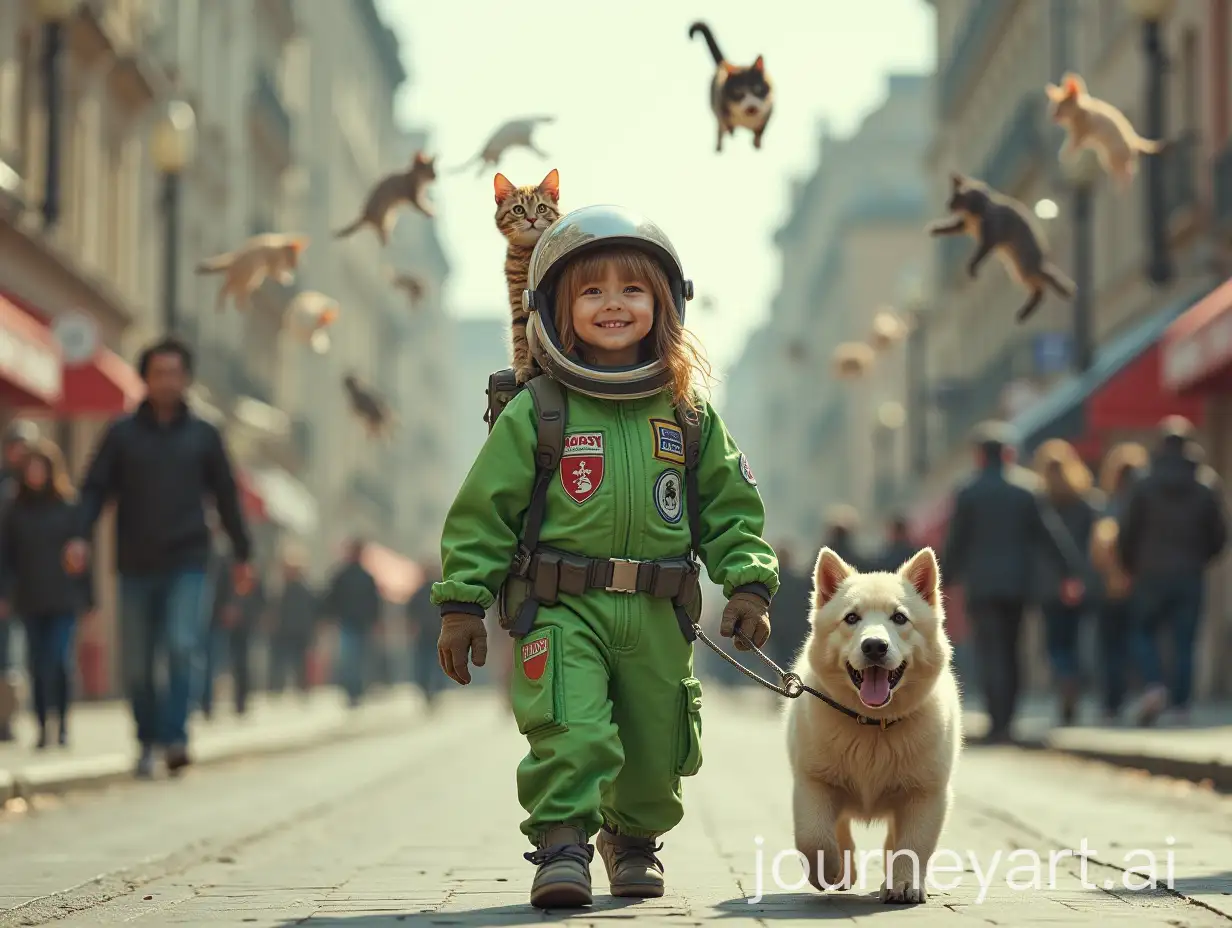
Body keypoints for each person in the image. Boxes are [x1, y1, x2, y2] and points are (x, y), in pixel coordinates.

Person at [430, 205, 778, 909]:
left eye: (632, 290)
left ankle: (634, 839)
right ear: (556, 309)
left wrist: (747, 585)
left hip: (657, 611)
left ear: (665, 304)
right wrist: (463, 602)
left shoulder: (686, 412)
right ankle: (561, 843)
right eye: (591, 292)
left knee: (656, 743)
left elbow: (728, 506)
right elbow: (485, 510)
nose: (613, 304)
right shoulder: (541, 409)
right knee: (571, 726)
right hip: (562, 606)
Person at [67, 336, 254, 777]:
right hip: (135, 562)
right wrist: (79, 536)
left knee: (181, 644)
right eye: (158, 373)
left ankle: (175, 738)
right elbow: (94, 488)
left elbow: (227, 497)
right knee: (136, 661)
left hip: (188, 560)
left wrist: (244, 554)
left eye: (175, 373)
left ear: (186, 379)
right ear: (145, 379)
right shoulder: (121, 434)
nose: (167, 381)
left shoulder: (205, 434)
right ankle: (147, 739)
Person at [941, 421, 1086, 744]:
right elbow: (1051, 534)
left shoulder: (968, 491)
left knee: (989, 650)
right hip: (1017, 584)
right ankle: (1009, 720)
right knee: (1012, 648)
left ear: (979, 456)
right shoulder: (1026, 489)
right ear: (1007, 454)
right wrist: (1070, 573)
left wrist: (941, 581)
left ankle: (996, 719)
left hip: (981, 586)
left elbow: (956, 542)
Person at [1117, 417, 1228, 726]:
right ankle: (1181, 705)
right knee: (1185, 641)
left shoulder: (1144, 483)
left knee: (1141, 631)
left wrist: (1129, 565)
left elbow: (1127, 531)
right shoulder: (1205, 484)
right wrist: (1201, 558)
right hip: (1190, 574)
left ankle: (1153, 686)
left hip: (1150, 574)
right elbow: (1220, 534)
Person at [0, 439, 93, 748]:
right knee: (37, 664)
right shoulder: (15, 510)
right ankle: (42, 726)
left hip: (63, 598)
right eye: (31, 468)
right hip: (29, 597)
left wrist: (88, 598)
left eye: (41, 468)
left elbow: (82, 556)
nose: (35, 473)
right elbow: (7, 556)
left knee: (58, 659)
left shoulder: (68, 508)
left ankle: (63, 723)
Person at [1031, 440, 1102, 726]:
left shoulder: (1040, 501)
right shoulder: (1086, 502)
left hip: (1049, 586)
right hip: (1080, 582)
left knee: (1055, 643)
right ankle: (1074, 679)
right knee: (1075, 641)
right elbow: (1095, 542)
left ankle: (1066, 677)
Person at [1089, 441, 1148, 720]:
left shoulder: (1107, 506)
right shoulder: (1146, 505)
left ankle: (1113, 702)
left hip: (1109, 585)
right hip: (1140, 583)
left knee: (1110, 647)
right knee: (1139, 641)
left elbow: (1096, 549)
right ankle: (1147, 692)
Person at [0, 419, 37, 743]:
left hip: (33, 588)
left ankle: (11, 719)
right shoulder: (5, 488)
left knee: (16, 659)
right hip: (7, 584)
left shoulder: (38, 490)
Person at [320, 538, 381, 707]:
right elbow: (331, 598)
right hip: (348, 623)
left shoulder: (364, 576)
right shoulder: (345, 575)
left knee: (356, 659)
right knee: (351, 659)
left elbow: (374, 602)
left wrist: (375, 621)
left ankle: (356, 691)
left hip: (360, 623)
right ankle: (352, 691)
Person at [268, 547, 318, 696]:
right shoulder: (281, 589)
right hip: (285, 631)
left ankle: (300, 687)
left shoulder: (300, 589)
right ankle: (278, 688)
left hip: (297, 631)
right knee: (283, 662)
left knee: (298, 663)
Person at [405, 563, 442, 710]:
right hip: (437, 632)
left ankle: (427, 688)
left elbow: (410, 614)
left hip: (424, 633)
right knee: (437, 663)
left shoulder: (418, 592)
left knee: (424, 664)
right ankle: (433, 689)